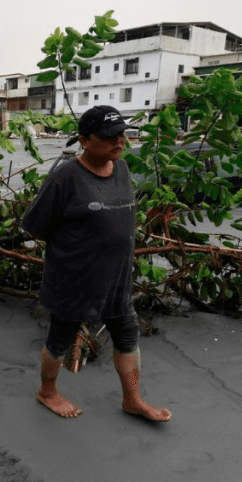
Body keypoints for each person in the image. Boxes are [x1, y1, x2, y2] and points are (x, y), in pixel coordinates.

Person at [22, 105, 171, 422]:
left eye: (122, 134)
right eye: (109, 137)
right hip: (73, 281)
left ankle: (132, 399)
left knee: (128, 336)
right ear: (85, 140)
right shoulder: (66, 176)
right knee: (60, 341)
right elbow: (34, 224)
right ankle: (47, 392)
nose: (120, 142)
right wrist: (75, 247)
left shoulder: (122, 170)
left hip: (116, 280)